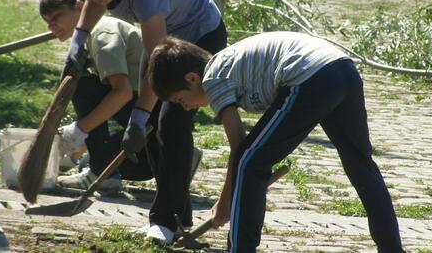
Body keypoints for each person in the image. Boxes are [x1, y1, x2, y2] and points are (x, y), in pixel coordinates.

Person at [146, 33, 406, 253]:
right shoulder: (227, 65)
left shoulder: (213, 77)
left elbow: (239, 149)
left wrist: (227, 202)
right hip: (341, 69)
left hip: (311, 75)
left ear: (192, 79)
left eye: (181, 100)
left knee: (250, 160)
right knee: (361, 165)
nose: (187, 107)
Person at [66, 0, 227, 243]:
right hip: (168, 40)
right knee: (154, 119)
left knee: (169, 123)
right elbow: (95, 0)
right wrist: (78, 39)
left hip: (200, 37)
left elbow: (157, 63)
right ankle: (177, 217)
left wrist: (137, 120)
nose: (92, 0)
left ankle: (164, 221)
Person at [39, 0, 155, 191]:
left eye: (56, 18)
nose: (52, 27)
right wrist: (79, 146)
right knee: (86, 83)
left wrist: (80, 129)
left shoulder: (102, 33)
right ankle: (99, 166)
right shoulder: (92, 37)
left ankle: (101, 171)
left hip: (150, 126)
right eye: (48, 23)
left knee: (81, 85)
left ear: (80, 5)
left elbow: (122, 93)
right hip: (145, 146)